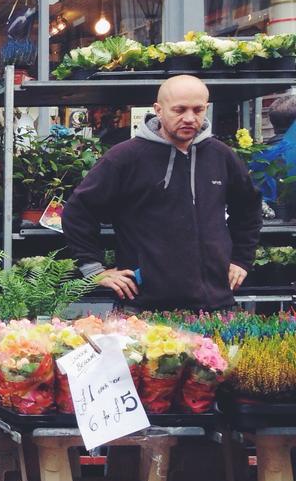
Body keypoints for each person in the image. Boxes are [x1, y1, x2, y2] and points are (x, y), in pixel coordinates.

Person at [63, 74, 262, 311]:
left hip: (216, 305)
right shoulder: (125, 158)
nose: (189, 118)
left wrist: (241, 260)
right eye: (179, 110)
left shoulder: (221, 155)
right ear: (158, 109)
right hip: (144, 307)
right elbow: (78, 211)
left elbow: (248, 207)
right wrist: (95, 270)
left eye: (198, 110)